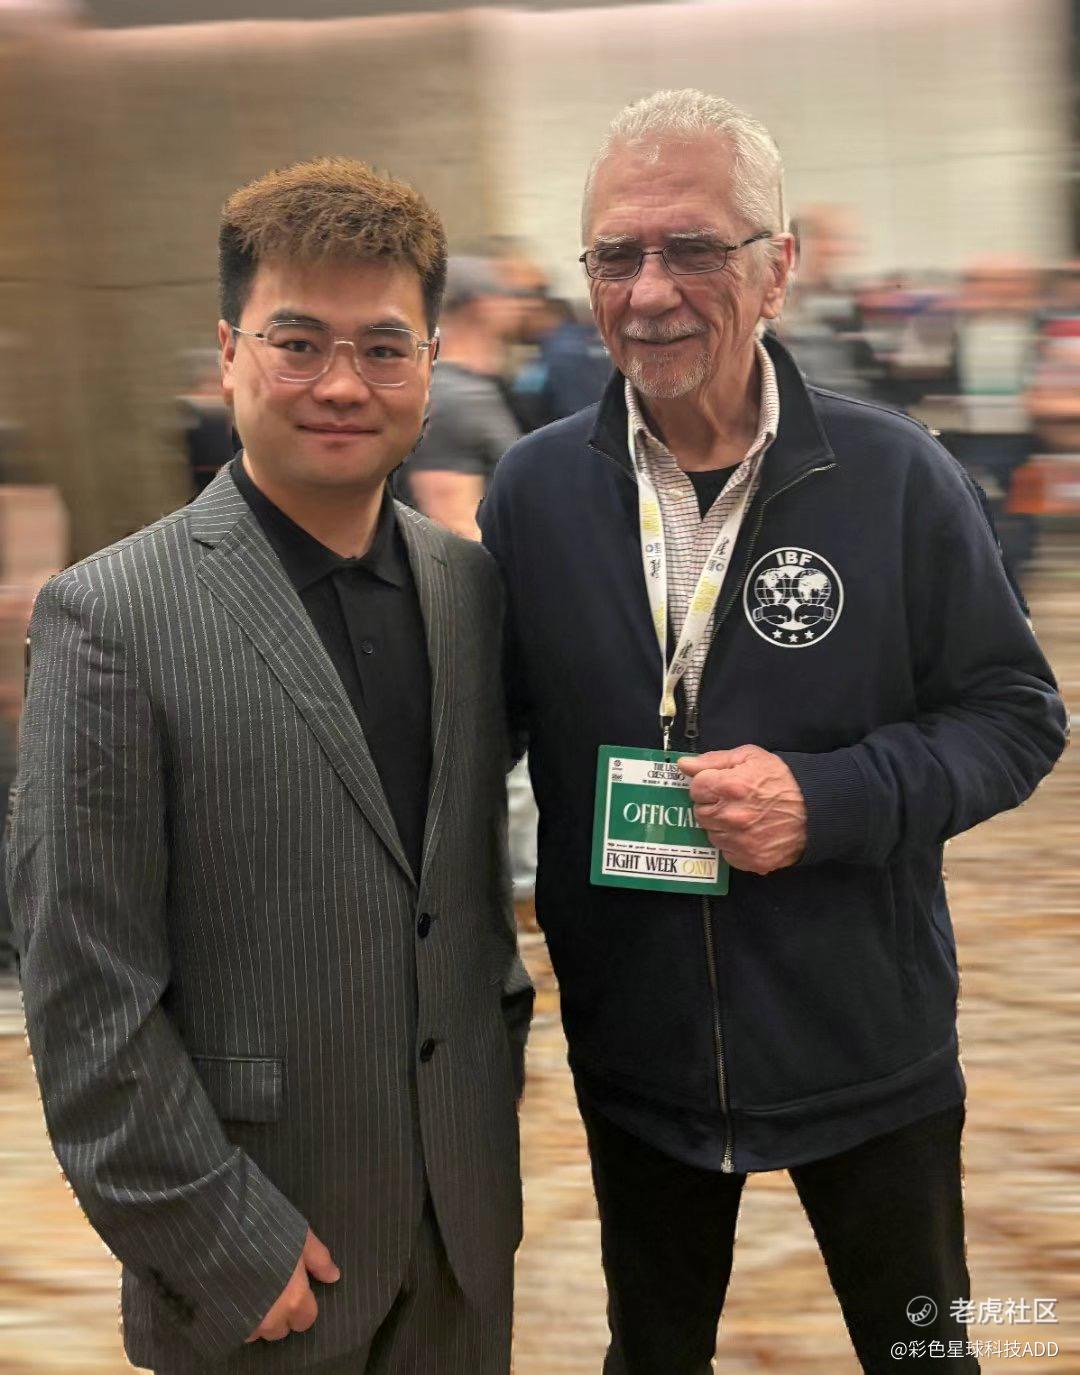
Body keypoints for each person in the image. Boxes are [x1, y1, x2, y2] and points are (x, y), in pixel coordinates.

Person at [480, 90, 1066, 1375]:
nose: (649, 291)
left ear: (779, 267)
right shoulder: (535, 491)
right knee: (652, 1355)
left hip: (866, 1040)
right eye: (616, 255)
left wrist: (833, 799)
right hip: (637, 1048)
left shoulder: (895, 476)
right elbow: (487, 738)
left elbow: (1017, 715)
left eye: (694, 247)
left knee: (923, 1352)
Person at [8, 157, 530, 1375]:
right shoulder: (111, 615)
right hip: (261, 1267)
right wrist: (211, 1235)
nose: (342, 383)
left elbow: (457, 902)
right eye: (298, 343)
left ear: (430, 363)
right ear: (229, 351)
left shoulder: (470, 591)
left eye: (384, 348)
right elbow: (83, 985)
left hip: (463, 1251)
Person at [398, 255, 523, 540]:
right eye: (510, 294)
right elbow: (455, 525)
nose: (519, 305)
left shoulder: (478, 388)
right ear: (482, 304)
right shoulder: (455, 396)